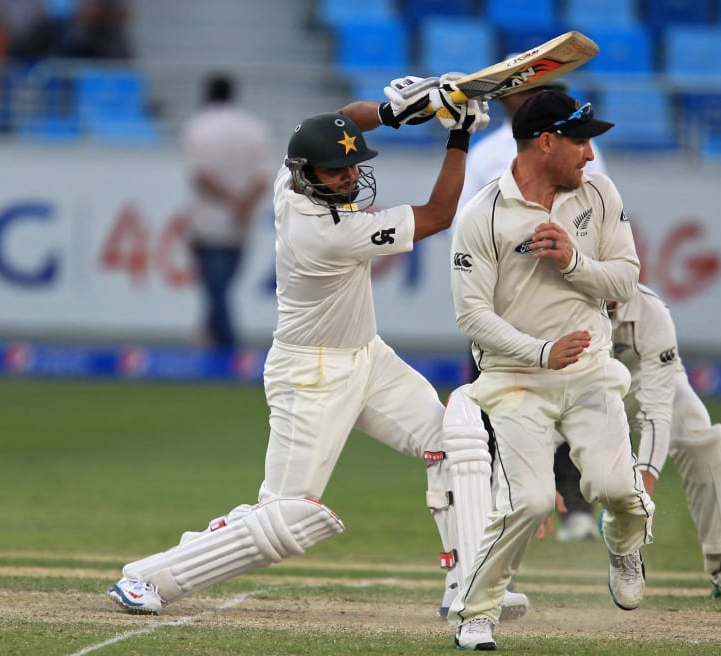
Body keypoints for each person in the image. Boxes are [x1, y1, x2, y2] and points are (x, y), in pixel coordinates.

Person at [106, 75, 498, 617]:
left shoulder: (288, 180)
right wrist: (456, 138)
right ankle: (151, 578)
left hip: (368, 356)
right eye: (337, 171)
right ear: (309, 174)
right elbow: (438, 215)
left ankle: (468, 585)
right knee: (289, 516)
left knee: (456, 442)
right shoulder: (325, 232)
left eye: (353, 165)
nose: (350, 176)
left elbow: (335, 124)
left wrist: (394, 111)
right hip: (311, 374)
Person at [447, 90, 655, 650]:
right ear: (546, 142)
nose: (589, 155)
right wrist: (539, 354)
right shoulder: (483, 215)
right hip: (517, 381)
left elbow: (625, 280)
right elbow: (471, 316)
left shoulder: (599, 195)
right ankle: (476, 612)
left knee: (617, 489)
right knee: (531, 501)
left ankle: (623, 542)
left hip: (590, 372)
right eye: (581, 141)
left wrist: (572, 261)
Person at [458, 81, 607, 547]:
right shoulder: (486, 153)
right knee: (491, 411)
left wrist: (595, 273)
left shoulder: (579, 147)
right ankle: (493, 508)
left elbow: (605, 212)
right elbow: (470, 224)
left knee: (572, 403)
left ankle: (576, 508)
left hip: (565, 299)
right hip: (503, 305)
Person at [607, 284, 721, 599]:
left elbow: (658, 411)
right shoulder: (561, 299)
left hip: (644, 380)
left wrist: (644, 483)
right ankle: (497, 570)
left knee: (702, 438)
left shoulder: (651, 311)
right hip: (578, 384)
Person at [180, 73, 273, 351]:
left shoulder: (198, 127)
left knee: (216, 289)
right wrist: (243, 203)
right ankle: (212, 336)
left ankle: (227, 347)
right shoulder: (255, 128)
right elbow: (264, 176)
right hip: (241, 223)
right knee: (221, 289)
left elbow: (200, 176)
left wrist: (230, 200)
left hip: (207, 222)